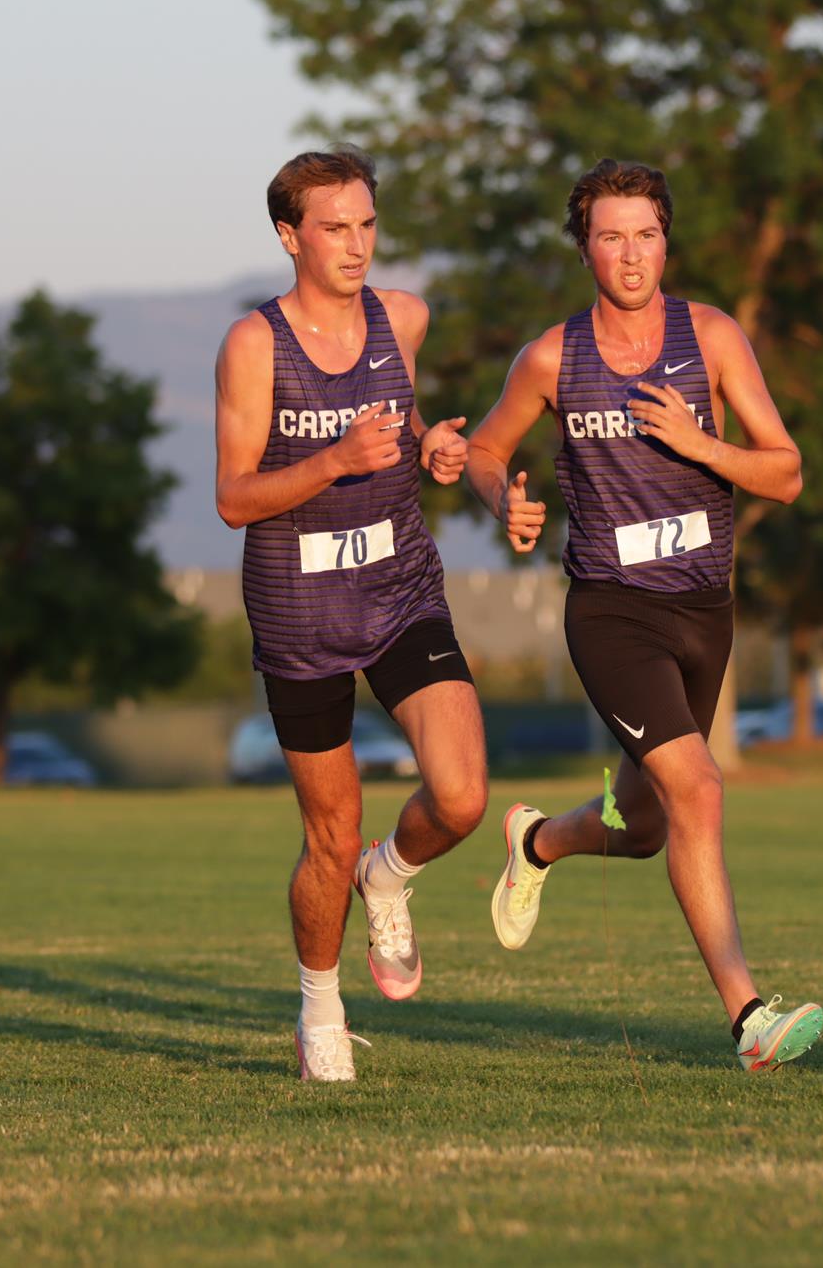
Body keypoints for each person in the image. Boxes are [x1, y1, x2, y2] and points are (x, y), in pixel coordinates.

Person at [464, 158, 823, 1072]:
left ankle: (537, 840)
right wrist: (502, 498)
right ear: (585, 246)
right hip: (612, 613)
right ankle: (749, 1015)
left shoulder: (710, 338)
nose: (631, 255)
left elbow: (784, 472)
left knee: (651, 822)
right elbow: (486, 449)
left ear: (668, 241)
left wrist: (701, 442)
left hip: (705, 609)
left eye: (646, 235)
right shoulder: (551, 357)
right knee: (700, 789)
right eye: (611, 236)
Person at [214, 147, 486, 1081]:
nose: (357, 244)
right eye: (336, 227)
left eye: (368, 224)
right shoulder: (255, 346)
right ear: (290, 236)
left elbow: (402, 429)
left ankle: (392, 875)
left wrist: (432, 447)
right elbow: (234, 498)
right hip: (299, 608)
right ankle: (319, 1010)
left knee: (461, 796)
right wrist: (333, 457)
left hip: (402, 585)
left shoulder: (400, 318)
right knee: (329, 834)